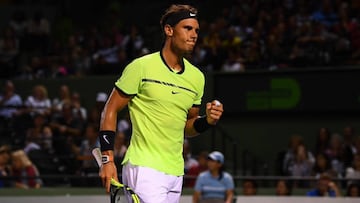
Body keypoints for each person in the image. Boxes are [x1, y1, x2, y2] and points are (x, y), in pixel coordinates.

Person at [98, 4, 224, 203]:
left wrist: (207, 121)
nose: (194, 35)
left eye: (197, 30)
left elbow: (187, 127)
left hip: (175, 173)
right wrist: (108, 160)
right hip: (144, 167)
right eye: (187, 28)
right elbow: (109, 110)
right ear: (169, 30)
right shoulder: (141, 67)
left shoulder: (197, 78)